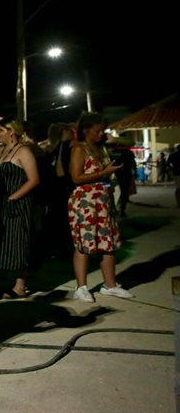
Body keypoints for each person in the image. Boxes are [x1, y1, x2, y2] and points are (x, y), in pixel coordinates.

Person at [66, 112, 132, 301]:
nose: (101, 134)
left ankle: (110, 285)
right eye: (98, 131)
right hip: (85, 201)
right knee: (84, 244)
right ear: (86, 130)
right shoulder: (79, 148)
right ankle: (81, 287)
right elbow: (76, 177)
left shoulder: (101, 148)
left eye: (103, 130)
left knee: (107, 243)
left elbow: (127, 142)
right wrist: (103, 173)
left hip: (102, 201)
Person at [0, 118, 39, 299]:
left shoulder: (23, 151)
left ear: (11, 131)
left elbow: (34, 179)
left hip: (18, 202)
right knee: (3, 240)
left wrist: (14, 196)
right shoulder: (0, 150)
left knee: (18, 241)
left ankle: (20, 285)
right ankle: (2, 277)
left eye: (1, 130)